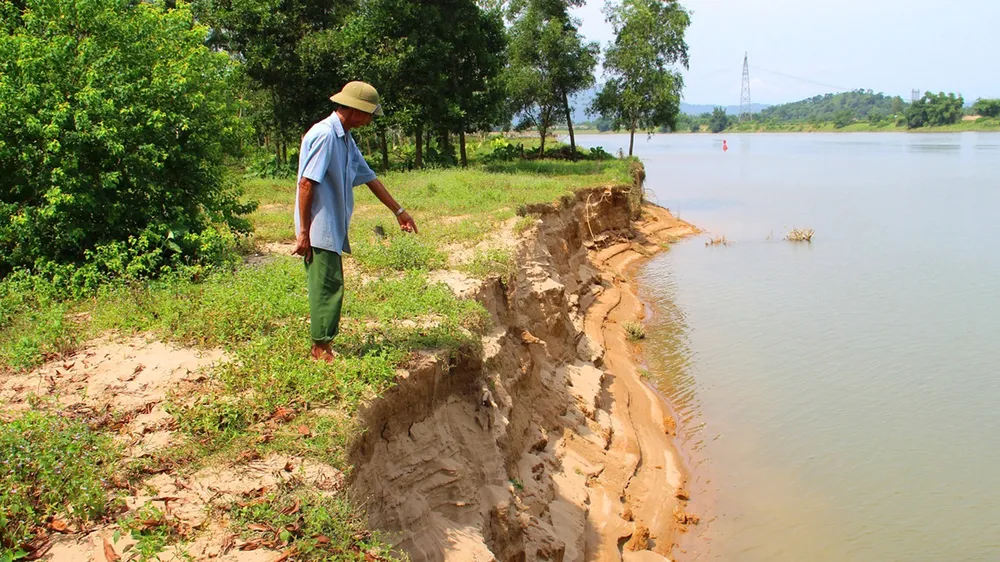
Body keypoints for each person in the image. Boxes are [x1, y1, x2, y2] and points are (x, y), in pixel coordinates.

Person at [292, 81, 418, 362]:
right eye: (370, 113)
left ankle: (323, 345)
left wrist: (400, 212)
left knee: (331, 283)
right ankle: (320, 349)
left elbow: (370, 178)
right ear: (356, 110)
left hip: (332, 225)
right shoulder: (325, 135)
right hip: (319, 226)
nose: (371, 119)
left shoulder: (346, 139)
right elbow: (305, 184)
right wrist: (304, 232)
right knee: (327, 285)